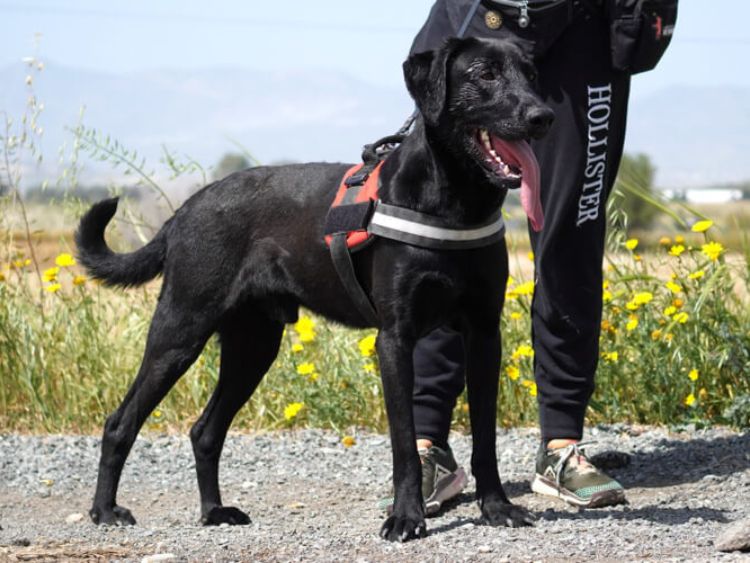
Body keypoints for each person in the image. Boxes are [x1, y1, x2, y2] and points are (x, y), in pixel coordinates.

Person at [388, 0, 677, 514]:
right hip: (481, 12)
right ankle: (427, 444)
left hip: (583, 29)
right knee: (439, 230)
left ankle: (561, 446)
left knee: (573, 231)